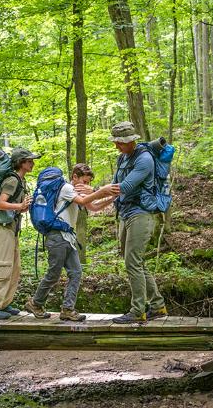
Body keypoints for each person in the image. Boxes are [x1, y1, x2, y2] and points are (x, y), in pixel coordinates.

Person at [24, 164, 115, 321]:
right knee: (54, 273)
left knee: (76, 273)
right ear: (74, 177)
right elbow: (85, 200)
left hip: (68, 238)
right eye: (84, 182)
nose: (86, 186)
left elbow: (93, 207)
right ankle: (35, 303)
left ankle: (67, 309)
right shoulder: (66, 188)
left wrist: (113, 198)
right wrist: (101, 191)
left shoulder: (73, 192)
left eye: (88, 183)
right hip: (58, 236)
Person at [100, 121, 168, 324]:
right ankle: (158, 306)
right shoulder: (122, 157)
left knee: (132, 262)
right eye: (116, 142)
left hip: (141, 214)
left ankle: (138, 310)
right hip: (126, 213)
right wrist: (95, 196)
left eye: (120, 142)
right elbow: (114, 185)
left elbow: (126, 186)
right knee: (135, 262)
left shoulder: (145, 159)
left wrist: (96, 193)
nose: (117, 146)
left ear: (131, 140)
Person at [0, 148, 40, 320]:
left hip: (12, 227)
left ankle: (3, 303)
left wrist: (22, 207)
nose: (32, 163)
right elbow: (0, 204)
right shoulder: (12, 180)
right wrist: (19, 207)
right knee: (4, 265)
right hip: (2, 227)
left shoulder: (21, 180)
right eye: (29, 161)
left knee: (15, 267)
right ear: (21, 162)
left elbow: (13, 206)